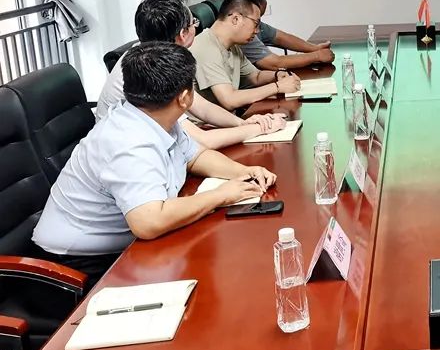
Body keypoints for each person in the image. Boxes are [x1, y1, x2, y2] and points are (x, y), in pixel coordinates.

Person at [32, 42, 277, 291]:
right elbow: (149, 222)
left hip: (125, 245)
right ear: (185, 98)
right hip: (75, 268)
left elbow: (195, 156)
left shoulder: (154, 115)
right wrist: (220, 195)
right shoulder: (127, 141)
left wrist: (242, 172)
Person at [96, 0, 285, 149]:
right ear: (183, 34)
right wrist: (261, 128)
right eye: (194, 22)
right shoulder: (152, 72)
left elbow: (201, 106)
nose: (197, 26)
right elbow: (202, 141)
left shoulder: (152, 55)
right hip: (122, 157)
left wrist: (243, 123)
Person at [190, 0, 302, 111]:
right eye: (256, 24)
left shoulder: (232, 46)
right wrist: (277, 87)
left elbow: (255, 76)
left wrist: (277, 75)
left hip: (229, 117)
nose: (257, 31)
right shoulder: (205, 48)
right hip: (210, 122)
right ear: (236, 19)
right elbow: (229, 100)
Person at [230, 0, 335, 70]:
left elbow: (281, 37)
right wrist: (317, 56)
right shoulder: (242, 29)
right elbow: (274, 63)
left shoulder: (252, 22)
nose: (256, 30)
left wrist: (315, 48)